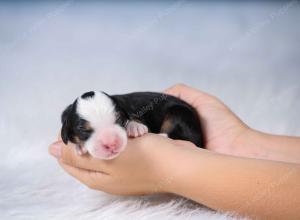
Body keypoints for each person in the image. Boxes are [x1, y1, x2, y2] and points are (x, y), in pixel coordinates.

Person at [49, 84, 300, 219]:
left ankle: (184, 144)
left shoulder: (127, 112)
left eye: (118, 124)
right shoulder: (71, 124)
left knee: (175, 116)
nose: (109, 141)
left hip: (178, 118)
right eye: (86, 133)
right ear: (68, 130)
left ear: (123, 115)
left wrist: (170, 163)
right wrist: (240, 142)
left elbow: (138, 123)